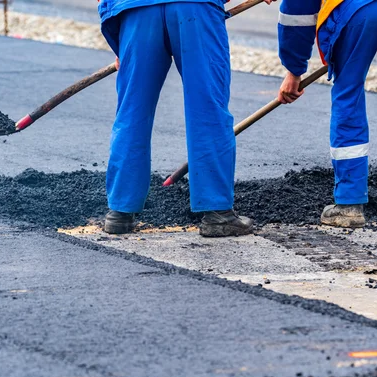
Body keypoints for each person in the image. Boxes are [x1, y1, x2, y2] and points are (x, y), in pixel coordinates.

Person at [97, 0, 272, 237]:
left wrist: (121, 43)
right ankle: (218, 213)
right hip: (194, 8)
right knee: (208, 108)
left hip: (136, 11)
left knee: (132, 112)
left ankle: (119, 212)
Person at [277, 0, 377, 228]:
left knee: (348, 93)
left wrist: (294, 70)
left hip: (360, 9)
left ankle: (349, 204)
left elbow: (297, 13)